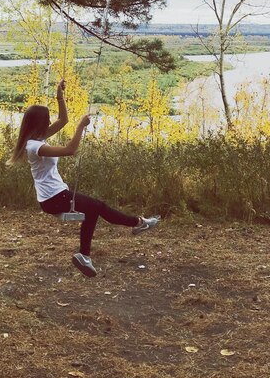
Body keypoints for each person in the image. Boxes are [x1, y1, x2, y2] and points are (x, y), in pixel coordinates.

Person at [8, 79, 160, 277]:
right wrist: (81, 126)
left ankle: (85, 256)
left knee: (94, 210)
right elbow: (70, 150)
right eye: (46, 119)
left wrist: (60, 96)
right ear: (40, 123)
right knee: (99, 207)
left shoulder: (36, 139)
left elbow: (63, 121)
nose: (49, 121)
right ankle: (139, 223)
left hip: (54, 196)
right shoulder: (36, 147)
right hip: (55, 198)